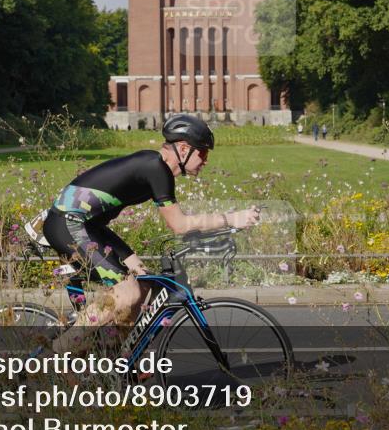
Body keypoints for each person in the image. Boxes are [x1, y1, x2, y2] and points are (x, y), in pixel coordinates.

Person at [36, 115, 260, 351]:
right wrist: (232, 218)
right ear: (183, 149)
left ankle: (117, 361)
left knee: (143, 283)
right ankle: (56, 355)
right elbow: (179, 225)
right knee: (128, 291)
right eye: (203, 153)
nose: (205, 160)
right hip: (69, 224)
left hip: (90, 227)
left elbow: (179, 225)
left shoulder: (155, 168)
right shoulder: (155, 166)